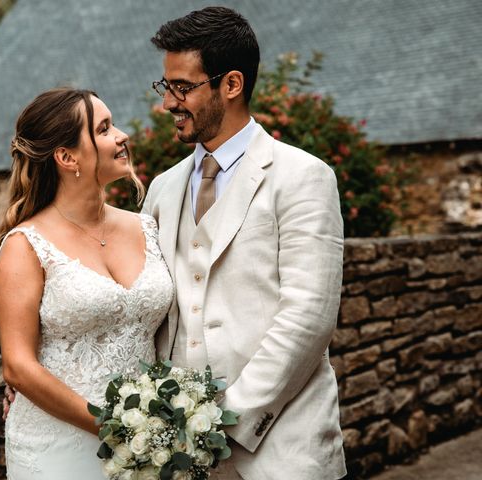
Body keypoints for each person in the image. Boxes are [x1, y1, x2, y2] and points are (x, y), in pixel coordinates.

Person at [141, 6, 347, 480]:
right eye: (165, 86)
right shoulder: (161, 189)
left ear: (231, 85)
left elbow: (309, 317)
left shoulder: (303, 177)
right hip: (178, 454)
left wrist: (225, 422)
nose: (168, 102)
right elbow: (143, 307)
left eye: (182, 87)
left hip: (282, 448)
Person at [0, 87, 173, 479]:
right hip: (59, 448)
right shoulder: (26, 246)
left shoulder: (147, 226)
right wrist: (111, 426)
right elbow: (18, 367)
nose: (122, 136)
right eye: (105, 129)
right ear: (66, 156)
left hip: (148, 446)